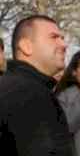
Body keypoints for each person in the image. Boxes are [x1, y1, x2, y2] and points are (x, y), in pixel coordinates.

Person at [0, 14, 75, 155]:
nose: (64, 45)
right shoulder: (29, 94)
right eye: (54, 37)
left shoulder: (17, 86)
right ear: (26, 46)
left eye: (62, 38)